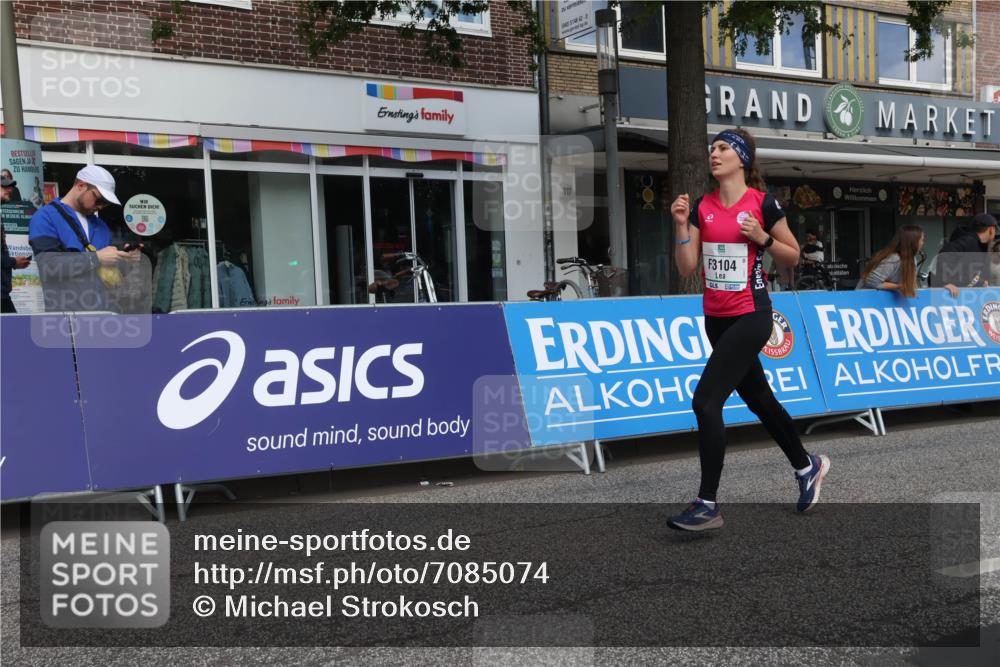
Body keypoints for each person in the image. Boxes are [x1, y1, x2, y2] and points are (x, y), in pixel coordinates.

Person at [668, 128, 829, 531]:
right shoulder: (703, 206)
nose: (714, 154)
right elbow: (687, 268)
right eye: (712, 149)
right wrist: (681, 225)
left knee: (706, 403)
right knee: (759, 398)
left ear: (741, 158)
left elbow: (793, 256)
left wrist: (762, 237)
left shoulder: (763, 203)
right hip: (716, 319)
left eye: (722, 148)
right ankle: (806, 465)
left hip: (752, 316)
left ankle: (707, 504)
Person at [28, 165, 139, 312]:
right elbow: (49, 266)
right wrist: (96, 258)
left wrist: (125, 260)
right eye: (99, 199)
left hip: (106, 315)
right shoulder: (45, 217)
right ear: (81, 186)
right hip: (67, 319)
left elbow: (111, 277)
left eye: (106, 203)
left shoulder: (101, 226)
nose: (101, 206)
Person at [933, 213, 997, 297]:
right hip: (952, 297)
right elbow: (944, 254)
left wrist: (980, 282)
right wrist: (945, 283)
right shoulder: (968, 241)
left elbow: (967, 270)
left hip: (965, 296)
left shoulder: (980, 245)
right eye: (995, 231)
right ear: (991, 230)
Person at [856, 225, 924, 297]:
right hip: (865, 300)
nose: (923, 243)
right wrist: (898, 286)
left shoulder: (912, 259)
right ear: (913, 242)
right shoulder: (894, 259)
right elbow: (871, 281)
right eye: (922, 240)